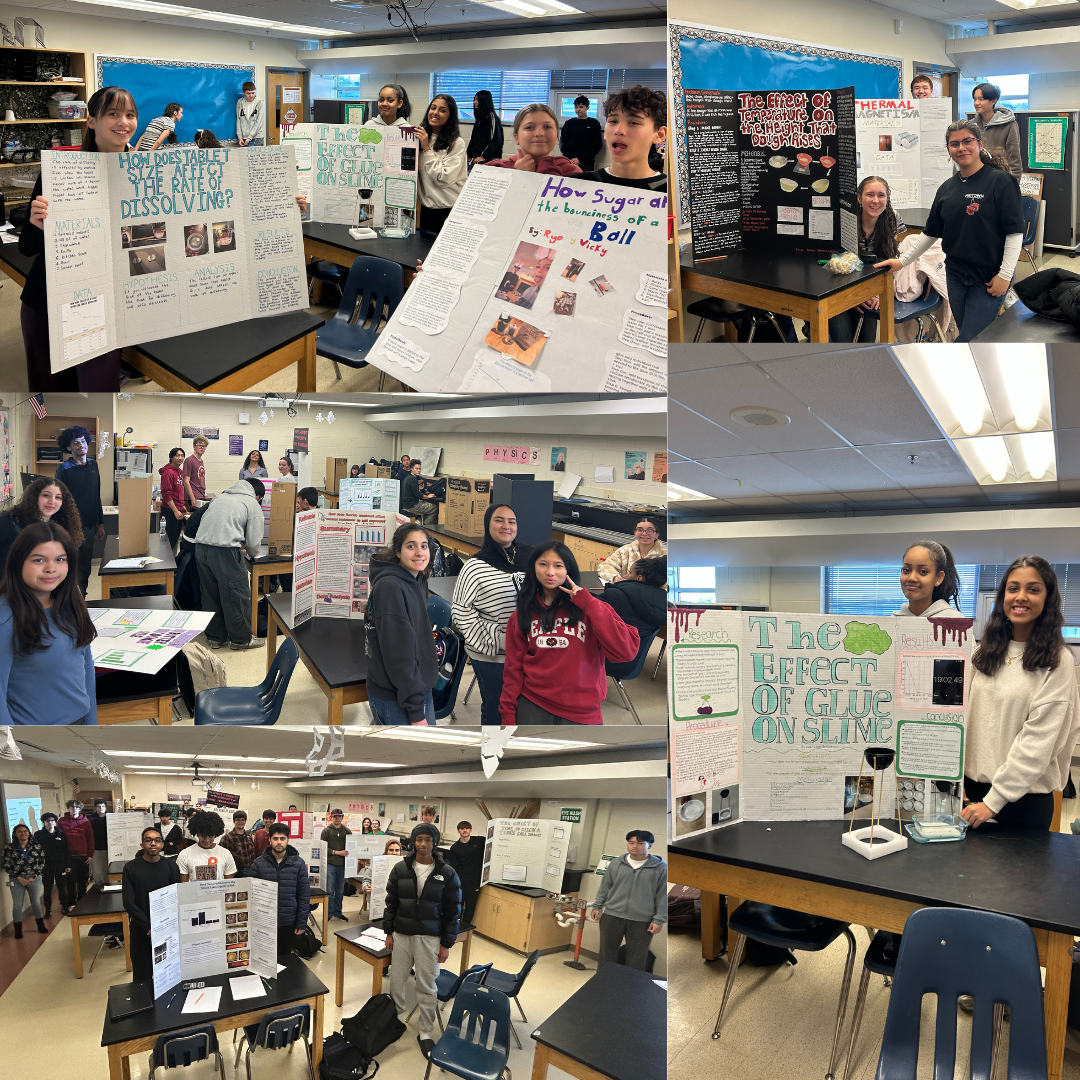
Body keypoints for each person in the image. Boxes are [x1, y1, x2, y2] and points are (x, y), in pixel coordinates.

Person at [20, 86, 138, 391]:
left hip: (109, 306)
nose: (123, 121)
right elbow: (26, 246)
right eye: (113, 113)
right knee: (51, 396)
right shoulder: (61, 173)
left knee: (99, 393)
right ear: (91, 121)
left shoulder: (144, 175)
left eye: (130, 114)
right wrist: (40, 226)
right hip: (48, 303)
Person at [874, 119, 1024, 343]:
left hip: (989, 277)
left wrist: (1004, 275)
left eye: (967, 141)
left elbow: (1015, 233)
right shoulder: (947, 188)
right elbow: (930, 233)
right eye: (954, 144)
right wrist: (902, 262)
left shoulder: (1001, 182)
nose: (961, 148)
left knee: (970, 338)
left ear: (980, 144)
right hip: (955, 275)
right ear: (949, 150)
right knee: (970, 335)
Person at [962, 556, 1080, 831]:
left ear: (1048, 598)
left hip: (1022, 802)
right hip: (969, 797)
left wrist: (993, 801)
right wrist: (955, 781)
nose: (1021, 597)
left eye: (1033, 589)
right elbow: (960, 718)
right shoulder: (982, 652)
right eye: (1013, 588)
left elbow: (1039, 742)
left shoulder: (1057, 660)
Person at [501, 541, 639, 725]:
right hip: (533, 703)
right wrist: (507, 713)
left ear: (569, 571)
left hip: (583, 710)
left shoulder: (591, 609)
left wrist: (589, 603)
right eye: (543, 564)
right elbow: (513, 668)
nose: (550, 572)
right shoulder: (522, 614)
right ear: (533, 568)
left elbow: (626, 651)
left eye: (558, 566)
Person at [0, 522, 97, 725]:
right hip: (35, 739)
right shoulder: (6, 617)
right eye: (39, 560)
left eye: (60, 559)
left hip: (79, 727)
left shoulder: (72, 598)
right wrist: (12, 750)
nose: (50, 568)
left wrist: (92, 724)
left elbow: (85, 663)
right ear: (19, 562)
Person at [384, 824, 461, 1059]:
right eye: (419, 840)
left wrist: (446, 943)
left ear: (434, 843)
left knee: (427, 986)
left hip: (430, 937)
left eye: (428, 840)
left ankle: (425, 1032)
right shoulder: (400, 869)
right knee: (397, 981)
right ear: (413, 842)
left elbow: (453, 911)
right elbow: (391, 903)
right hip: (402, 935)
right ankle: (395, 1021)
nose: (423, 844)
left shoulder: (447, 873)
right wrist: (389, 932)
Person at [451, 504, 533, 726]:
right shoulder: (475, 566)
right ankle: (493, 753)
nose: (506, 526)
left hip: (529, 648)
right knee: (498, 706)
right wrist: (498, 640)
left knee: (526, 705)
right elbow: (460, 612)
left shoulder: (531, 557)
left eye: (512, 521)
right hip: (492, 653)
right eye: (499, 520)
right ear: (488, 525)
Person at [365, 523, 437, 725]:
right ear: (398, 551)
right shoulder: (391, 587)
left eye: (424, 546)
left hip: (416, 687)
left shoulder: (417, 578)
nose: (419, 553)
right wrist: (415, 710)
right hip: (398, 695)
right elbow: (399, 655)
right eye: (411, 546)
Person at [829, 177, 906, 343]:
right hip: (841, 289)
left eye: (881, 195)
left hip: (872, 289)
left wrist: (876, 294)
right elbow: (836, 264)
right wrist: (855, 295)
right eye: (870, 195)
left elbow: (890, 262)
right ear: (859, 198)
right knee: (843, 344)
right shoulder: (845, 218)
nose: (876, 201)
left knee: (866, 343)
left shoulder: (893, 219)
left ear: (887, 198)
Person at [194, 476, 266, 650]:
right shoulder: (252, 503)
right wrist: (249, 551)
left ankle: (216, 638)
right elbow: (253, 543)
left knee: (210, 594)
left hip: (201, 549)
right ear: (258, 496)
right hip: (225, 551)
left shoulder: (221, 497)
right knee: (236, 594)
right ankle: (241, 640)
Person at [589, 830, 666, 971]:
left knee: (637, 958)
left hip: (642, 920)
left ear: (650, 845)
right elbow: (605, 887)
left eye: (640, 843)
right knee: (607, 954)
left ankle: (631, 988)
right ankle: (603, 984)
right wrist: (597, 906)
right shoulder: (616, 864)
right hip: (612, 915)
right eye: (631, 843)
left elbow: (662, 895)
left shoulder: (660, 868)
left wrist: (659, 919)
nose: (634, 846)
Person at [580, 86, 667, 192]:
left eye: (633, 122)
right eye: (613, 121)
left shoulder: (672, 194)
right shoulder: (578, 185)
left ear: (659, 135)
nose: (618, 130)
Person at [122, 826, 180, 982]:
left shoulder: (171, 866)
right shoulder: (131, 868)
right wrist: (148, 927)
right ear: (142, 845)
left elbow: (176, 896)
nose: (153, 843)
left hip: (166, 928)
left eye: (157, 840)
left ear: (162, 844)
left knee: (168, 970)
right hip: (141, 928)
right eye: (148, 840)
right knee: (142, 973)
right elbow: (128, 901)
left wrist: (164, 926)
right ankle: (144, 1004)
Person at [247, 823, 311, 956]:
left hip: (288, 920)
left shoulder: (298, 864)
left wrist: (301, 923)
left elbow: (304, 895)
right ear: (270, 840)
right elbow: (249, 893)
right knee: (263, 957)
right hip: (263, 921)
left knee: (284, 958)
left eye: (282, 838)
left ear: (288, 840)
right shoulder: (258, 864)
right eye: (275, 839)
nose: (279, 842)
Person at [54, 425, 104, 595]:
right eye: (76, 443)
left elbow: (96, 495)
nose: (80, 445)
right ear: (68, 447)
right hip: (71, 526)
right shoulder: (64, 469)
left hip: (90, 525)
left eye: (83, 441)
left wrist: (100, 523)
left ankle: (82, 596)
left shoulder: (93, 465)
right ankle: (70, 599)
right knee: (71, 565)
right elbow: (59, 500)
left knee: (85, 565)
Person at [0, 477, 83, 574]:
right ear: (34, 496)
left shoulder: (61, 526)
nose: (52, 501)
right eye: (46, 495)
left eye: (58, 497)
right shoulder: (8, 523)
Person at [598, 556, 667, 670]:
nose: (625, 576)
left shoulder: (615, 595)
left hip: (606, 659)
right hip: (632, 664)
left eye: (629, 573)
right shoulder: (663, 604)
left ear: (639, 578)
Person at [417, 94, 467, 236]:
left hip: (448, 209)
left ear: (450, 116)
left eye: (442, 110)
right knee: (424, 253)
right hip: (426, 208)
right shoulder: (420, 138)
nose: (435, 113)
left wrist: (427, 149)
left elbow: (443, 178)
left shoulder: (456, 143)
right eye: (433, 108)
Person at [485, 104, 581, 175]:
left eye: (547, 127)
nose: (539, 133)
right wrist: (516, 175)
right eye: (529, 127)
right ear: (516, 137)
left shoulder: (573, 173)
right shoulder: (495, 169)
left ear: (556, 135)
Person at [895, 539, 963, 618]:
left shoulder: (954, 621)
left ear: (938, 578)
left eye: (923, 572)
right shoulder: (890, 622)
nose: (912, 578)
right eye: (906, 570)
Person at [3, 823, 47, 937]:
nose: (23, 833)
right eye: (20, 832)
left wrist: (33, 876)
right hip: (17, 879)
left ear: (28, 832)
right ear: (15, 834)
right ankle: (18, 929)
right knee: (17, 905)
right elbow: (7, 865)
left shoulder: (36, 846)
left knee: (36, 902)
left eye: (25, 831)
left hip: (34, 878)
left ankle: (40, 925)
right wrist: (19, 877)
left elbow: (42, 862)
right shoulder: (9, 847)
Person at [972, 81, 1022, 179]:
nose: (976, 103)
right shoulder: (972, 126)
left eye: (981, 99)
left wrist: (1014, 187)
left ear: (993, 101)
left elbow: (1015, 161)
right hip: (977, 179)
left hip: (1000, 180)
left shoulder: (1009, 125)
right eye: (975, 99)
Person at [597, 516, 667, 584]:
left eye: (650, 530)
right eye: (640, 530)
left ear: (657, 535)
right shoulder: (625, 551)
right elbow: (604, 566)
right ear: (635, 533)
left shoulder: (665, 556)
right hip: (627, 592)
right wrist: (615, 577)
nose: (644, 533)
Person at [176, 810, 237, 881]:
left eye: (210, 836)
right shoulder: (184, 854)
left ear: (216, 834)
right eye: (203, 836)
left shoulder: (226, 854)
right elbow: (183, 886)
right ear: (197, 834)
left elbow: (229, 885)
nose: (207, 840)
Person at [445, 821, 484, 924]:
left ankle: (465, 928)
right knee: (458, 906)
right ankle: (455, 927)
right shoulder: (455, 848)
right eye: (462, 828)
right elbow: (453, 867)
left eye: (467, 828)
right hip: (460, 882)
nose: (465, 830)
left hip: (474, 881)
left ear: (470, 830)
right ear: (458, 831)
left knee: (470, 907)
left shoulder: (479, 841)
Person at [35, 812, 73, 916]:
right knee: (48, 888)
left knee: (62, 887)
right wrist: (39, 867)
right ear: (43, 822)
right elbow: (36, 852)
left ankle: (64, 906)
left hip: (60, 865)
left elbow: (66, 850)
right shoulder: (38, 835)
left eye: (52, 820)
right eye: (48, 821)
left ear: (55, 822)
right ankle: (48, 909)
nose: (50, 822)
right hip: (46, 866)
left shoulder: (61, 833)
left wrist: (68, 864)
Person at [58, 799, 94, 902]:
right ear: (68, 808)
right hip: (68, 857)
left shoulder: (86, 822)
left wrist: (90, 854)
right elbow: (58, 839)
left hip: (83, 856)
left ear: (80, 809)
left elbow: (90, 838)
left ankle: (82, 901)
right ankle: (71, 902)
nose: (74, 809)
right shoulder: (62, 821)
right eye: (72, 807)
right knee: (70, 881)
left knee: (82, 880)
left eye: (77, 807)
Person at [321, 808, 352, 922]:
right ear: (331, 817)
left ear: (342, 817)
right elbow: (323, 848)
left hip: (343, 865)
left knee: (340, 891)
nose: (337, 818)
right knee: (330, 890)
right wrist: (337, 852)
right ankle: (328, 913)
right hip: (331, 864)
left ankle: (338, 912)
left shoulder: (347, 831)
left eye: (339, 816)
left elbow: (351, 847)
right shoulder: (326, 831)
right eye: (335, 816)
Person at [560, 96, 603, 172]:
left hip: (587, 162)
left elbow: (596, 144)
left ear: (587, 107)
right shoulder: (568, 123)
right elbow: (563, 142)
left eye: (581, 107)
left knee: (586, 182)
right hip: (569, 161)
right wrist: (570, 158)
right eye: (576, 107)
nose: (578, 109)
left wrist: (579, 159)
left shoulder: (593, 123)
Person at [159, 447, 186, 552]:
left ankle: (173, 563)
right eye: (177, 455)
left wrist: (181, 504)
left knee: (175, 538)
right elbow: (166, 493)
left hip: (177, 507)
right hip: (170, 509)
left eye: (182, 455)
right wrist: (175, 510)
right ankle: (167, 565)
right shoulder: (168, 473)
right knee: (169, 539)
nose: (180, 458)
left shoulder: (179, 471)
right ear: (171, 457)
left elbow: (177, 490)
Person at [466, 90, 503, 166]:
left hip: (490, 158)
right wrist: (469, 154)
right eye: (474, 99)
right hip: (478, 157)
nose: (474, 102)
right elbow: (473, 139)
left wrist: (484, 156)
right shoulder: (479, 119)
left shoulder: (492, 117)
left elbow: (496, 140)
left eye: (477, 99)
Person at [401, 460, 438, 525]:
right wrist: (428, 496)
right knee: (435, 508)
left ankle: (419, 521)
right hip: (413, 505)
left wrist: (420, 490)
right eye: (416, 469)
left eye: (419, 469)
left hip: (407, 504)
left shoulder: (408, 477)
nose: (418, 470)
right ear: (412, 469)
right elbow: (418, 495)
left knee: (428, 508)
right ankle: (426, 526)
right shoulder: (413, 479)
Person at [183, 435, 209, 509]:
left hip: (201, 495)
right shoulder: (189, 460)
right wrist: (192, 498)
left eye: (204, 446)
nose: (202, 447)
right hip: (194, 496)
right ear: (194, 446)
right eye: (199, 445)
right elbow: (186, 481)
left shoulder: (201, 461)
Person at [89, 798, 109, 889]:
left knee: (107, 869)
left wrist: (143, 815)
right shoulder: (90, 819)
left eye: (102, 806)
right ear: (95, 808)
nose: (101, 808)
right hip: (96, 848)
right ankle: (99, 887)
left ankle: (108, 885)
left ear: (105, 807)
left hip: (109, 848)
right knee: (97, 870)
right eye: (98, 806)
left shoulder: (111, 817)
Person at [236, 81, 264, 146]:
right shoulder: (240, 102)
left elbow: (259, 122)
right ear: (243, 92)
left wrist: (250, 137)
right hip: (244, 138)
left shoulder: (260, 103)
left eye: (253, 93)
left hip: (257, 138)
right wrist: (240, 137)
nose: (251, 95)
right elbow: (238, 120)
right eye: (248, 93)